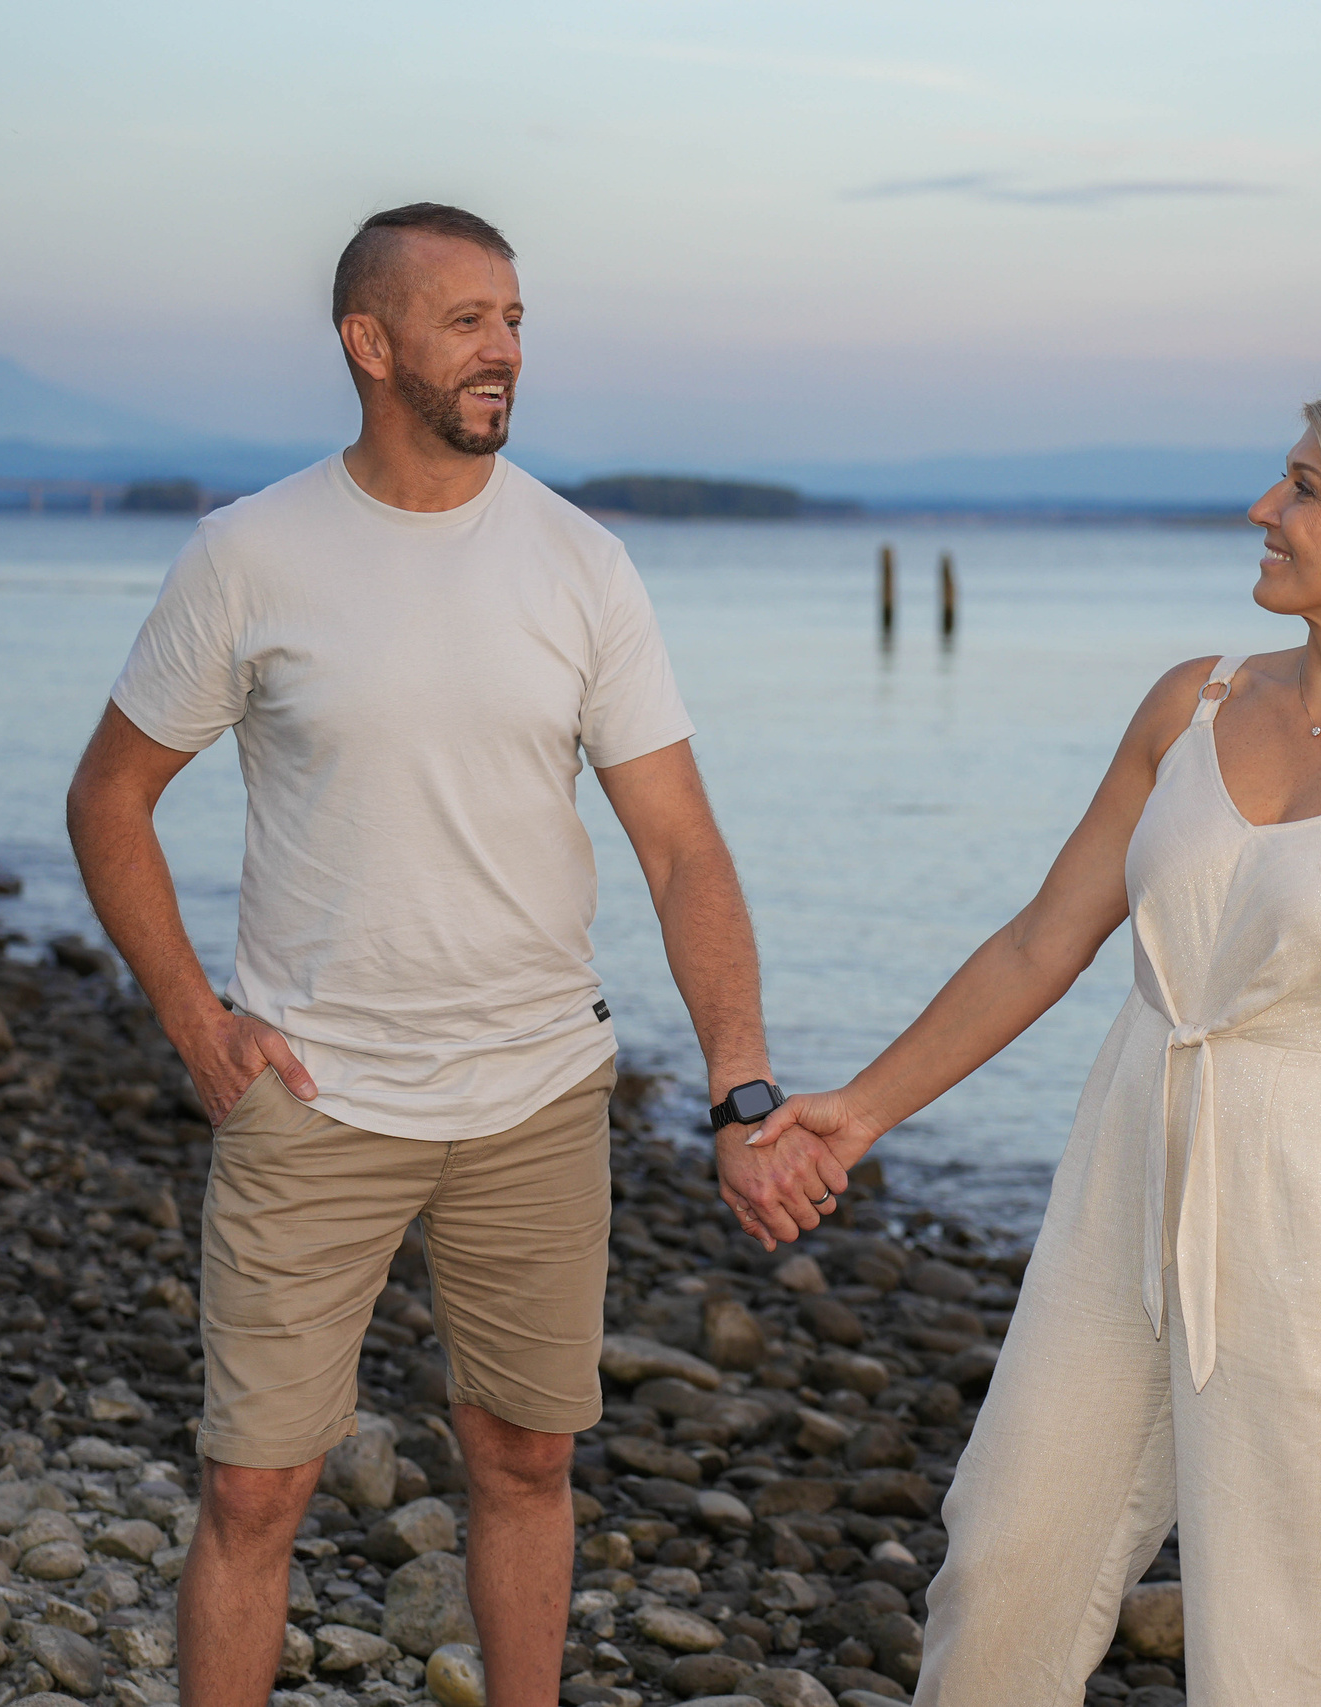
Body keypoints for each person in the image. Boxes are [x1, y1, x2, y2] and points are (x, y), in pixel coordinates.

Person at [65, 203, 849, 1707]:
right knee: (253, 1493)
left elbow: (682, 847)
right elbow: (111, 796)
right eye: (468, 322)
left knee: (527, 1460)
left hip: (538, 1097)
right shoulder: (249, 556)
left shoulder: (580, 563)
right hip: (312, 1094)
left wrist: (743, 1089)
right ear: (370, 346)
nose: (504, 353)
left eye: (515, 322)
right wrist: (192, 1019)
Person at [750, 386, 1321, 1704]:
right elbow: (1042, 941)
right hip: (1124, 1181)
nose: (1263, 509)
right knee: (1007, 1561)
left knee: (1282, 1650)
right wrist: (864, 1108)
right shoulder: (1193, 702)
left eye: (1302, 488)